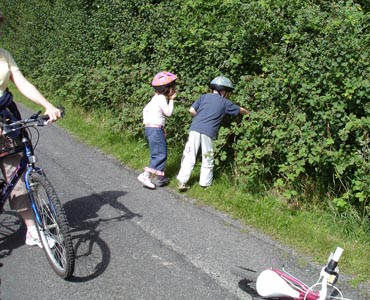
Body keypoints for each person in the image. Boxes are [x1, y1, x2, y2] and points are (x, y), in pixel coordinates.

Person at [0, 12, 62, 247]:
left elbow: (22, 83)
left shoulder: (4, 55)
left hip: (6, 119)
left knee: (16, 173)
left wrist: (46, 105)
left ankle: (32, 230)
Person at [176, 76, 249, 191]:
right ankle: (205, 184)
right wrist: (249, 113)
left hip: (194, 128)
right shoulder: (225, 102)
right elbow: (240, 110)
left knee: (190, 155)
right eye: (228, 92)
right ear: (223, 91)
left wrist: (200, 117)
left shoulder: (203, 97)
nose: (228, 95)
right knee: (208, 156)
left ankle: (182, 182)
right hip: (209, 131)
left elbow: (191, 110)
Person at [137, 71, 177, 189]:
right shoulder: (161, 98)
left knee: (157, 153)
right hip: (155, 129)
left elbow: (145, 110)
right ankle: (145, 175)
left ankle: (161, 178)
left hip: (150, 128)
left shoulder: (154, 98)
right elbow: (168, 113)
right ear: (167, 88)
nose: (174, 89)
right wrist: (172, 100)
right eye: (173, 87)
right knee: (161, 155)